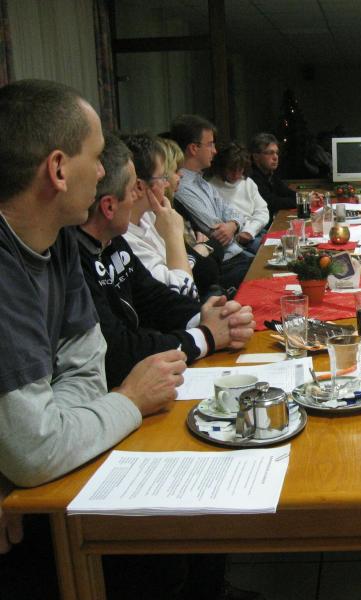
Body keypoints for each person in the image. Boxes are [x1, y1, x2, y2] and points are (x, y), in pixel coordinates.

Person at [0, 79, 185, 594]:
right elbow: (35, 449)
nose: (105, 172)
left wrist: (39, 441)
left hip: (19, 474)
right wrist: (128, 401)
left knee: (166, 546)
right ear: (58, 169)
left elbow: (87, 364)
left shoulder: (59, 241)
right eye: (98, 156)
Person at [77, 132, 255, 389]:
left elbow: (154, 297)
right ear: (109, 207)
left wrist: (208, 317)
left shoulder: (112, 241)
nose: (136, 196)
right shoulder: (77, 255)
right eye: (132, 190)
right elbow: (117, 350)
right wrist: (206, 336)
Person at [170, 114, 253, 290]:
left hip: (235, 256)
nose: (215, 151)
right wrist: (232, 226)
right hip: (225, 265)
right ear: (194, 148)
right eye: (210, 144)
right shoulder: (182, 188)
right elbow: (216, 232)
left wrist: (233, 224)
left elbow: (234, 212)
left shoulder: (202, 182)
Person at [121, 132, 198, 298]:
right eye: (163, 177)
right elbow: (187, 295)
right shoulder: (125, 240)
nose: (167, 183)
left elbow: (186, 264)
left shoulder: (148, 215)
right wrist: (174, 236)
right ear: (139, 186)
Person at [159, 136, 224, 299]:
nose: (181, 175)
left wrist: (200, 249)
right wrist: (202, 248)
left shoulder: (175, 204)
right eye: (176, 170)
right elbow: (206, 271)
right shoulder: (162, 217)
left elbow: (216, 244)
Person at [209, 142, 270, 254]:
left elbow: (262, 211)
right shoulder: (211, 187)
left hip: (255, 232)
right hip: (233, 241)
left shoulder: (247, 182)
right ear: (222, 167)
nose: (236, 175)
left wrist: (249, 231)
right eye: (231, 170)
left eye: (240, 170)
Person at [248, 132, 295, 229]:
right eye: (270, 153)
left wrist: (306, 197)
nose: (275, 157)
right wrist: (302, 201)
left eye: (276, 153)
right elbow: (272, 202)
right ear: (256, 156)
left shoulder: (269, 172)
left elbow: (285, 191)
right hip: (258, 229)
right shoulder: (251, 177)